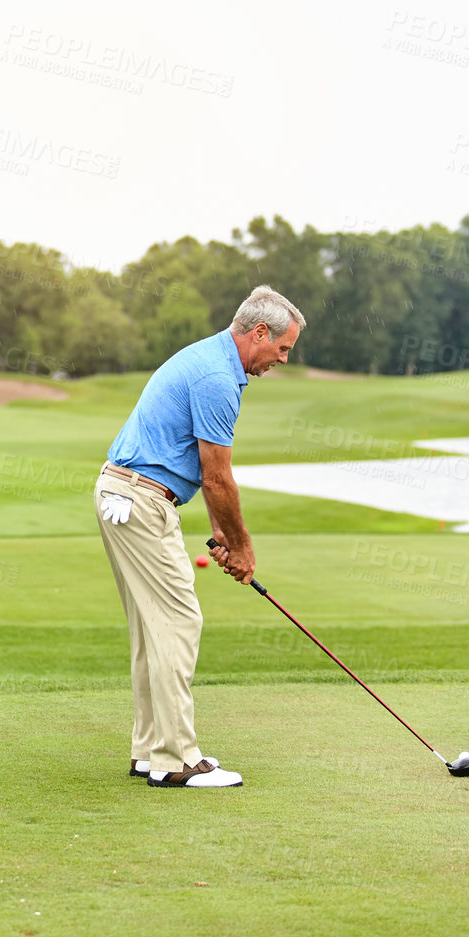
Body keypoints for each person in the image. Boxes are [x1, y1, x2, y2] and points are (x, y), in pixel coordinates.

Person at [95, 284, 305, 788]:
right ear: (259, 332)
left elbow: (204, 476)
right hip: (140, 497)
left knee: (153, 628)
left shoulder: (210, 358)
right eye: (282, 349)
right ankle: (176, 760)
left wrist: (221, 533)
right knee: (178, 622)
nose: (281, 359)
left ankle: (150, 750)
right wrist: (242, 546)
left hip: (126, 493)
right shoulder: (216, 377)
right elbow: (217, 478)